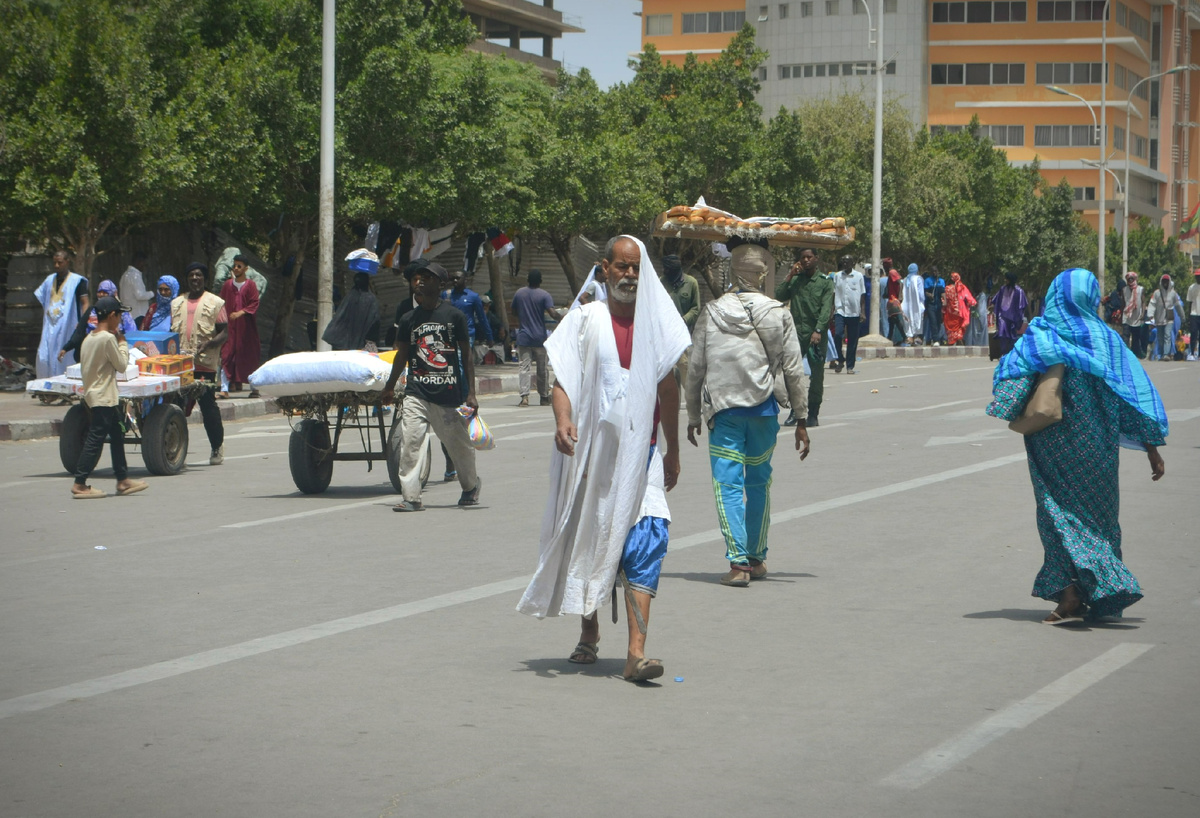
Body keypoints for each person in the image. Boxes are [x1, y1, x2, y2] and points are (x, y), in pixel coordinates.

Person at [516, 235, 689, 684]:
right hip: (592, 458)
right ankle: (589, 630)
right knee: (590, 538)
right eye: (621, 267)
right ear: (605, 269)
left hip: (643, 455)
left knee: (648, 538)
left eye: (636, 268)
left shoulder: (655, 324)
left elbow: (668, 391)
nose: (629, 276)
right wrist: (562, 420)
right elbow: (562, 381)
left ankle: (636, 654)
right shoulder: (585, 320)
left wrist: (670, 449)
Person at [987, 269, 1167, 624]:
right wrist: (1151, 448)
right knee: (1099, 520)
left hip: (1051, 445)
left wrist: (1003, 406)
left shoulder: (1044, 332)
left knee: (1056, 513)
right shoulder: (1107, 341)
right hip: (1098, 453)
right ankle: (1096, 590)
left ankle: (1070, 594)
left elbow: (1011, 380)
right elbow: (1134, 396)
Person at [686, 242, 810, 586]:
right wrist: (802, 419)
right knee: (759, 484)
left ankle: (738, 564)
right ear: (762, 274)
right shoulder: (778, 312)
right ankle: (756, 559)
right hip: (764, 412)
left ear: (732, 273)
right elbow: (794, 369)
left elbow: (695, 368)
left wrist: (693, 416)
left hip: (724, 412)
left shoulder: (711, 312)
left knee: (727, 485)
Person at [380, 262, 481, 512]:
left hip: (448, 394)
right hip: (417, 392)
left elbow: (467, 355)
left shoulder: (454, 316)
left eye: (429, 277)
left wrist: (471, 392)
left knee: (458, 446)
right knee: (411, 442)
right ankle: (411, 497)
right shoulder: (408, 319)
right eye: (419, 278)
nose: (421, 281)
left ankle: (470, 486)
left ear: (441, 285)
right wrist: (390, 387)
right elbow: (401, 356)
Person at [70, 296, 149, 499]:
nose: (120, 320)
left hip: (98, 395)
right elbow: (122, 365)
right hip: (103, 397)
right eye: (119, 315)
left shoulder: (90, 338)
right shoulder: (107, 339)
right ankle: (80, 482)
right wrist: (122, 343)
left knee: (116, 435)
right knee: (95, 439)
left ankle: (122, 480)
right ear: (112, 315)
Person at [171, 263, 227, 466]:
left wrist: (210, 344)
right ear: (187, 279)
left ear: (205, 279)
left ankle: (217, 446)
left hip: (205, 364)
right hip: (181, 365)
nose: (195, 278)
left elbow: (225, 332)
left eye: (199, 275)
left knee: (207, 406)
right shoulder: (176, 303)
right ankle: (177, 450)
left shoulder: (216, 302)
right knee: (177, 407)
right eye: (191, 275)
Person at [777, 247, 833, 426]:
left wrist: (818, 330)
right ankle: (796, 411)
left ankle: (813, 413)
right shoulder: (796, 280)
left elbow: (826, 309)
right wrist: (790, 274)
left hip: (816, 335)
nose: (806, 260)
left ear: (816, 259)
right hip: (796, 333)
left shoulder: (825, 282)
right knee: (792, 373)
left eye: (809, 257)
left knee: (816, 376)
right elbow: (779, 296)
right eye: (803, 258)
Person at [35, 250, 88, 378]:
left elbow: (85, 302)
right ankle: (48, 386)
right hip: (50, 325)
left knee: (65, 356)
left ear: (67, 262)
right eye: (55, 263)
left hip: (68, 325)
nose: (57, 266)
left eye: (60, 262)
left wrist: (82, 322)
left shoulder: (77, 281)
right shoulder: (49, 280)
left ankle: (65, 387)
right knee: (44, 356)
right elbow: (42, 297)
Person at [511, 269, 559, 407]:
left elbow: (514, 312)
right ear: (540, 281)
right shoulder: (545, 295)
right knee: (542, 369)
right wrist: (563, 319)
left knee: (524, 368)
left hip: (524, 337)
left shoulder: (519, 293)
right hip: (540, 338)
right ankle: (544, 397)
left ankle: (524, 397)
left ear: (527, 280)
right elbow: (553, 313)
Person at [59, 279, 136, 365]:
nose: (101, 294)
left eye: (105, 292)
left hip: (116, 352)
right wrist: (66, 348)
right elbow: (79, 331)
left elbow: (132, 334)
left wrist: (122, 343)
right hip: (93, 353)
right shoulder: (92, 311)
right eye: (100, 292)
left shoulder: (122, 313)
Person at [219, 254, 261, 395]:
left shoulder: (251, 285)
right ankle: (224, 389)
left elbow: (254, 303)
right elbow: (221, 303)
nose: (236, 268)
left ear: (246, 269)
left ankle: (255, 388)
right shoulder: (227, 286)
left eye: (239, 266)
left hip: (246, 330)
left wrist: (241, 312)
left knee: (249, 356)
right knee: (226, 355)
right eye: (235, 265)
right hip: (230, 328)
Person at [322, 254, 382, 351]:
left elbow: (339, 320)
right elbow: (375, 323)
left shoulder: (349, 297)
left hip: (343, 347)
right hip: (363, 348)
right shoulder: (371, 299)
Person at [660, 253, 700, 395]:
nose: (666, 273)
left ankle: (693, 411)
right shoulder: (661, 283)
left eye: (668, 270)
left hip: (683, 340)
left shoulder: (691, 283)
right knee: (666, 381)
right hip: (664, 340)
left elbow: (695, 308)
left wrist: (683, 320)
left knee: (687, 377)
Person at [831, 255, 866, 374]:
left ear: (853, 263)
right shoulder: (837, 276)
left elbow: (862, 295)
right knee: (838, 335)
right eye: (843, 262)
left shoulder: (859, 276)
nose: (845, 264)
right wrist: (832, 311)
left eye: (847, 262)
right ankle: (840, 359)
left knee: (852, 340)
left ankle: (850, 366)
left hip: (854, 312)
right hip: (840, 310)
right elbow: (834, 294)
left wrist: (863, 312)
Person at [442, 270, 493, 351]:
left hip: (467, 334)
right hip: (449, 334)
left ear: (465, 280)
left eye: (458, 278)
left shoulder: (473, 297)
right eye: (453, 278)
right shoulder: (446, 295)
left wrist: (489, 337)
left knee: (461, 360)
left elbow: (482, 318)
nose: (455, 280)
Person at [990, 272, 1029, 358]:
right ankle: (1003, 353)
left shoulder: (1019, 291)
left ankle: (1011, 353)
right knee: (1002, 334)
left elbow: (1022, 305)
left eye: (1007, 279)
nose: (1005, 280)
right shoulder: (1002, 289)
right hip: (1002, 317)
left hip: (1013, 318)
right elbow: (996, 299)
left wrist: (1019, 317)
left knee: (1012, 336)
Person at [1148, 274, 1184, 361]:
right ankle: (1160, 354)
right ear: (1161, 282)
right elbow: (1152, 304)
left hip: (1169, 318)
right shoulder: (1157, 293)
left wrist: (1182, 316)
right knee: (1160, 337)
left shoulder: (1173, 294)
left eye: (1167, 281)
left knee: (1167, 335)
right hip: (1159, 318)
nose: (1165, 283)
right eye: (1163, 281)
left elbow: (1178, 305)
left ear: (1169, 282)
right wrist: (1150, 314)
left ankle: (1166, 354)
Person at [119, 251, 154, 326]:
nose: (145, 267)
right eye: (145, 264)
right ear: (139, 262)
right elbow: (140, 295)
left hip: (128, 316)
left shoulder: (124, 275)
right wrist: (153, 293)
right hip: (138, 316)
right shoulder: (135, 276)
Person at [942, 272, 976, 346]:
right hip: (960, 312)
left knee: (951, 326)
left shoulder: (947, 288)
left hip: (950, 312)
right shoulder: (962, 287)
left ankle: (952, 341)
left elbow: (944, 300)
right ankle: (959, 338)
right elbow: (969, 298)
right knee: (959, 326)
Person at [1120, 271, 1147, 358]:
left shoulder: (1140, 289)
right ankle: (1126, 354)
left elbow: (1143, 302)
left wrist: (1143, 313)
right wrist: (1121, 315)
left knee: (1136, 337)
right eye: (1129, 279)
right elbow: (1123, 303)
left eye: (1132, 279)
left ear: (1135, 279)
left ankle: (1134, 354)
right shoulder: (1124, 290)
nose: (1130, 281)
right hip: (1127, 316)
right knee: (1126, 336)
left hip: (1136, 317)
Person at [900, 263, 925, 345]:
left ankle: (909, 338)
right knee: (917, 320)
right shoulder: (918, 279)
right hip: (916, 305)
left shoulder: (905, 279)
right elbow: (921, 293)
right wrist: (923, 302)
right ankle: (915, 338)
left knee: (908, 321)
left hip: (906, 305)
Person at [922, 267, 946, 345]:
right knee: (933, 321)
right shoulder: (928, 280)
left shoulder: (941, 281)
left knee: (938, 321)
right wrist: (929, 295)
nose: (935, 273)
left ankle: (936, 337)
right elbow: (925, 291)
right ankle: (936, 340)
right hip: (930, 304)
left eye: (936, 271)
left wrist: (945, 301)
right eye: (933, 271)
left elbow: (943, 292)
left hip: (938, 304)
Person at [1187, 269, 1200, 359]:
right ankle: (1192, 353)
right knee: (1194, 333)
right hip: (1194, 313)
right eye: (1196, 276)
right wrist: (1189, 315)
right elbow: (1190, 302)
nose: (1198, 278)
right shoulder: (1192, 287)